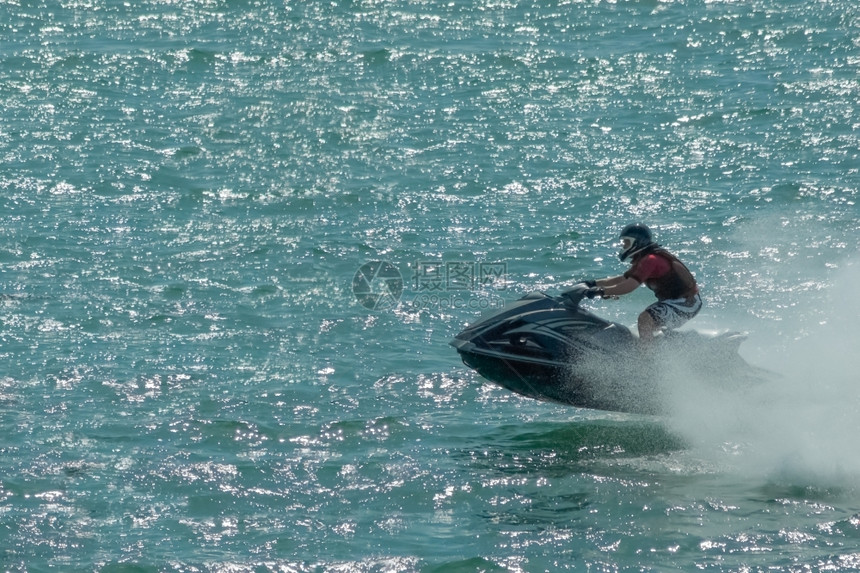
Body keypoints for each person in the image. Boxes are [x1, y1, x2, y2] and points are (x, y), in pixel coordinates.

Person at [580, 223, 701, 342]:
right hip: (676, 302)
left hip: (687, 303)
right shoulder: (645, 259)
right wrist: (593, 283)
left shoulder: (650, 260)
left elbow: (629, 286)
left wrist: (601, 291)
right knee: (650, 320)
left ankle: (646, 358)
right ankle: (667, 343)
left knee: (646, 319)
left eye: (626, 242)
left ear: (637, 242)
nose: (623, 246)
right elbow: (623, 279)